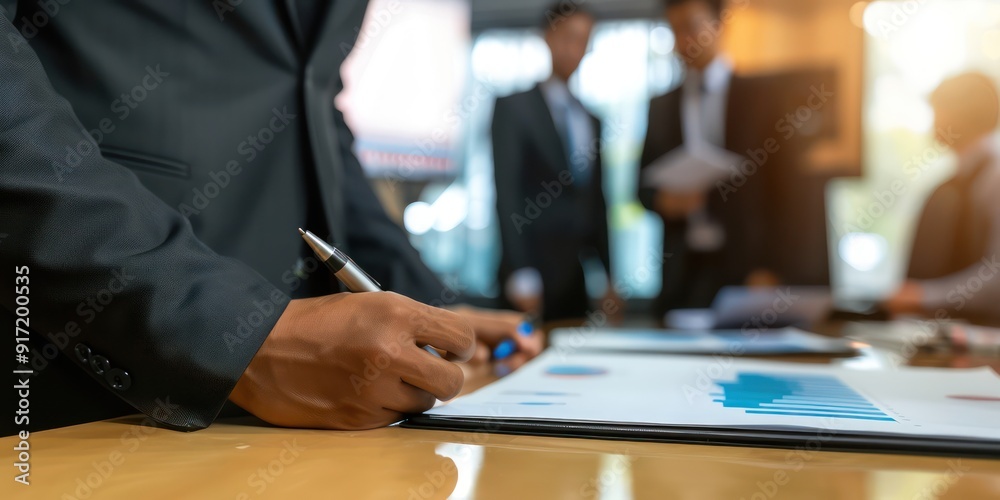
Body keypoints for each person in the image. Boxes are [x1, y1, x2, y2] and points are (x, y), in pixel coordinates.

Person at [0, 1, 539, 435]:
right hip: (86, 377)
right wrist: (232, 333)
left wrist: (423, 307)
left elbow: (311, 107)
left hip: (318, 413)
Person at [638, 0, 833, 320]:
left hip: (747, 270)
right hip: (683, 276)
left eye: (691, 26)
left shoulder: (765, 97)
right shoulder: (661, 106)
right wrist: (664, 200)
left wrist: (773, 268)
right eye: (674, 30)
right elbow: (642, 187)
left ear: (718, 24)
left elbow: (792, 193)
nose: (683, 40)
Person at [492, 3, 618, 322]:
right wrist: (521, 272)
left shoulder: (591, 118)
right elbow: (507, 193)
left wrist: (609, 277)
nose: (575, 48)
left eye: (584, 40)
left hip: (575, 277)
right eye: (569, 37)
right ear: (548, 37)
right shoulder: (514, 109)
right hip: (531, 271)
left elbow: (597, 202)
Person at [885, 72, 1000, 324]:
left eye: (937, 110)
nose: (932, 122)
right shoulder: (956, 184)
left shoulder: (994, 180)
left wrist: (924, 297)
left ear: (960, 114)